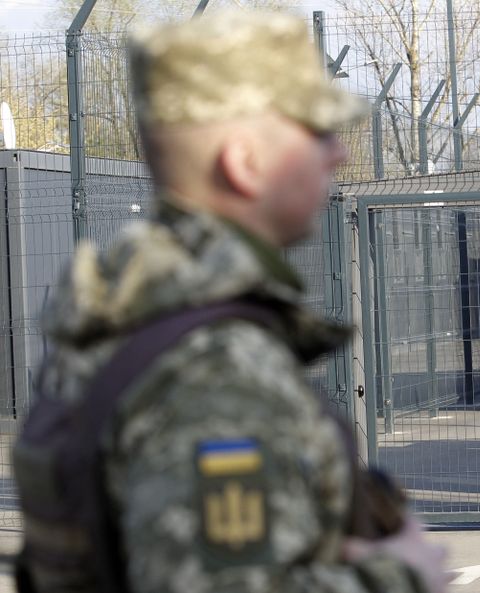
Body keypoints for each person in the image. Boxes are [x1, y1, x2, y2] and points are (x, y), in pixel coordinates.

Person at [18, 11, 447, 593]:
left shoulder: (134, 316)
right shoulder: (212, 367)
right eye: (316, 133)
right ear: (245, 162)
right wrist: (404, 574)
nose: (338, 155)